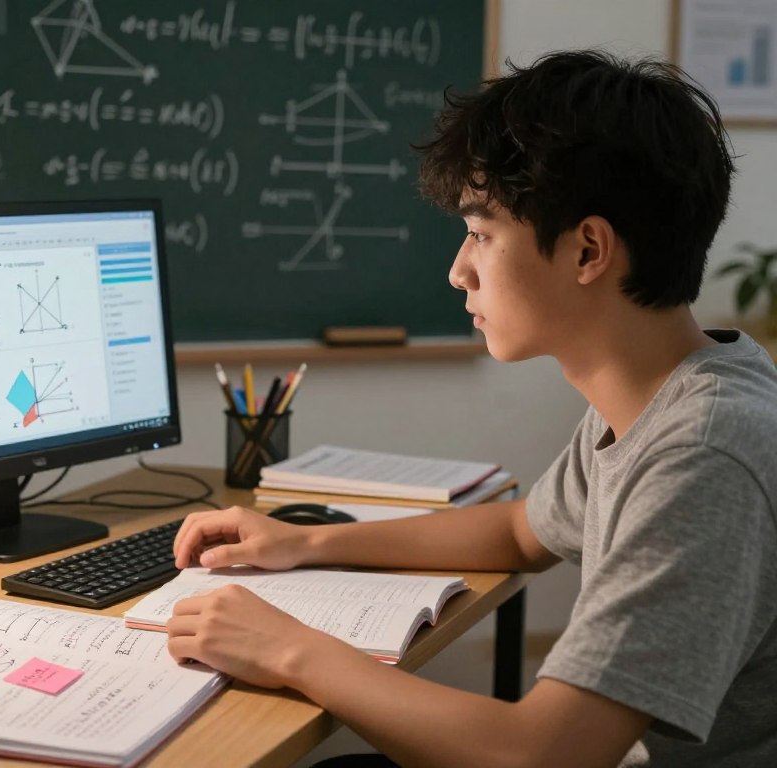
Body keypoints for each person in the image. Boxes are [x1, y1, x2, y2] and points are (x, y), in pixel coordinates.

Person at [168, 50, 777, 768]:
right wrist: (303, 543)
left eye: (481, 234)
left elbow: (543, 756)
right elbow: (522, 532)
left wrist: (289, 649)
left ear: (588, 250)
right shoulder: (670, 389)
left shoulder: (701, 451)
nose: (459, 270)